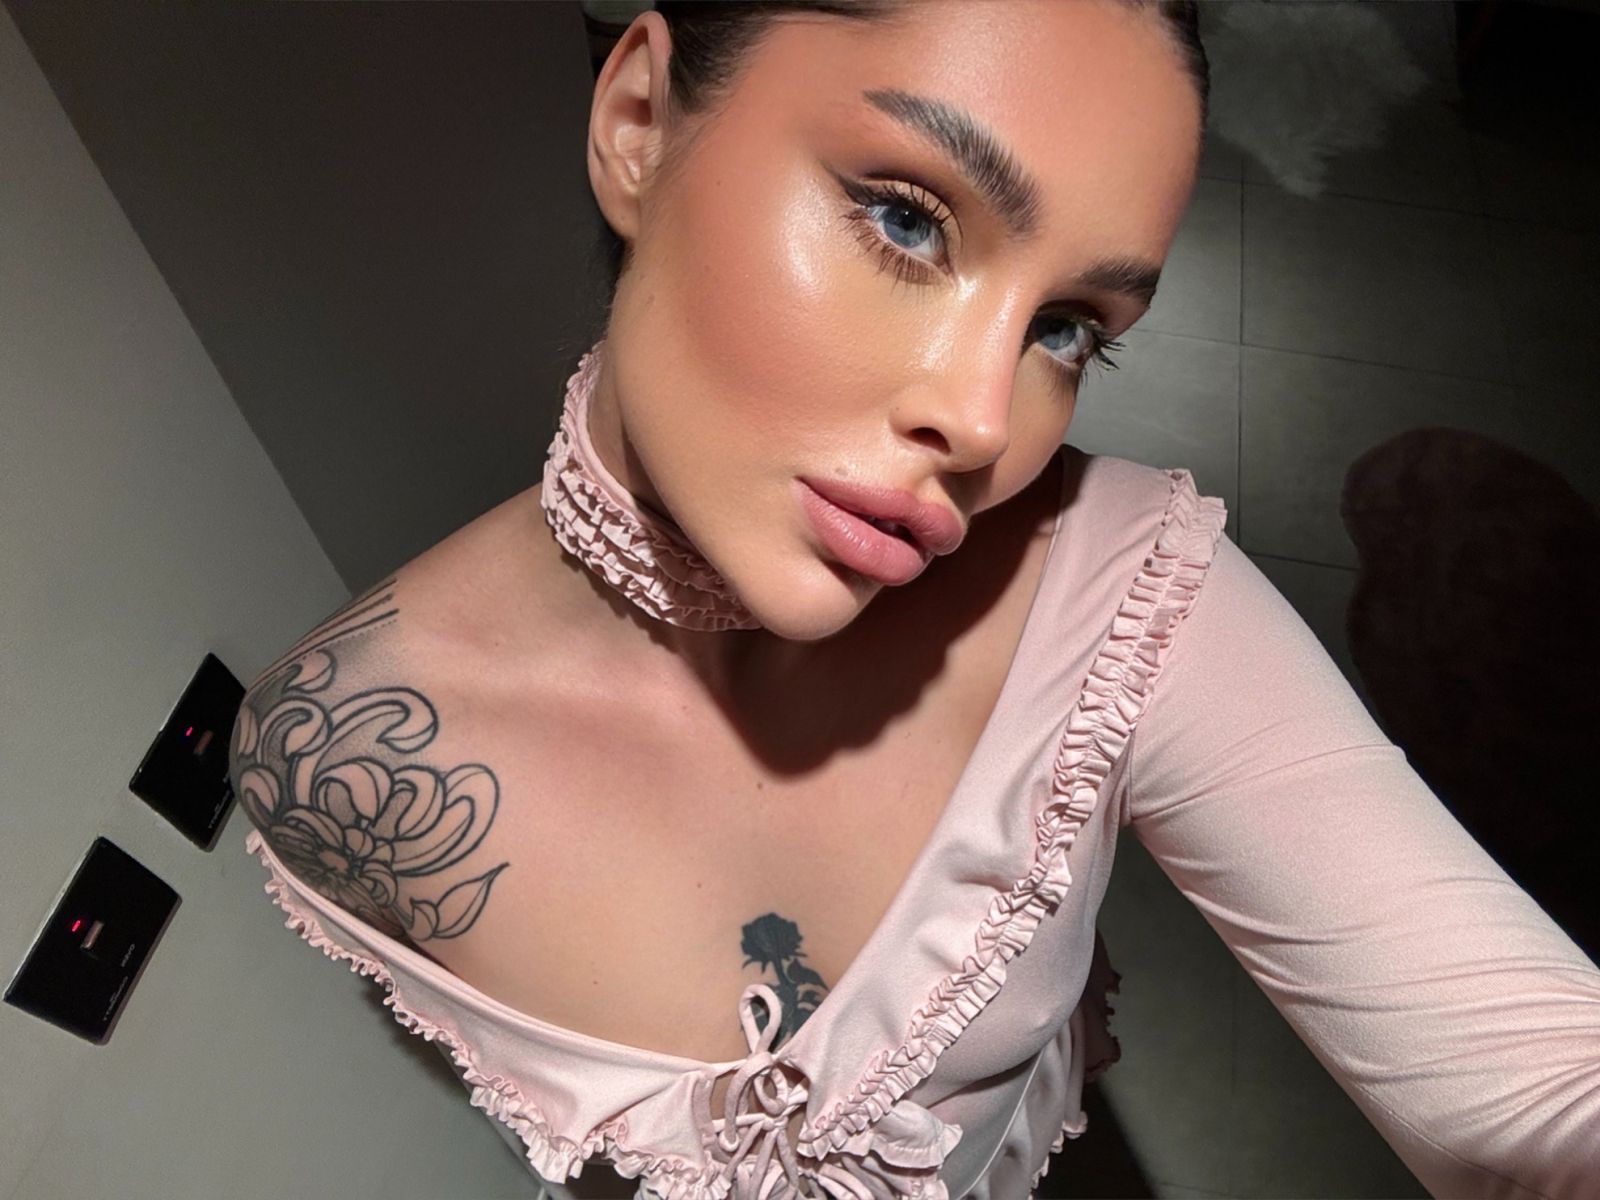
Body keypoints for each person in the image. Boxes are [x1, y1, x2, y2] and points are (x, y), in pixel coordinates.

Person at [229, 2, 1600, 1197]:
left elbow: (1537, 1096)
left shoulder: (1128, 594)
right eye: (907, 218)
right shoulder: (335, 758)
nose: (985, 418)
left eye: (1068, 328)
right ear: (639, 123)